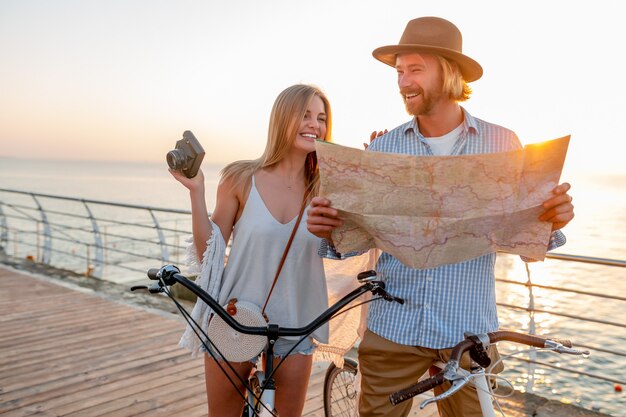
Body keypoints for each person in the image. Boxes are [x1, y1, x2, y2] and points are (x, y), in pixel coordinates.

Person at [306, 17, 575, 417]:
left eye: (415, 70)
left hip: (468, 330)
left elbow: (524, 235)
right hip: (394, 327)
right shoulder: (385, 148)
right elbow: (351, 239)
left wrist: (555, 221)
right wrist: (325, 229)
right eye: (399, 72)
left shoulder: (502, 143)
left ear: (449, 73)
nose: (403, 82)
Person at [172, 83, 332, 417]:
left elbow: (352, 242)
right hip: (237, 316)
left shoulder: (329, 188)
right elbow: (208, 256)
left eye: (320, 117)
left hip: (296, 323)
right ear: (282, 119)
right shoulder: (241, 177)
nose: (314, 125)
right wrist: (196, 192)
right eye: (304, 115)